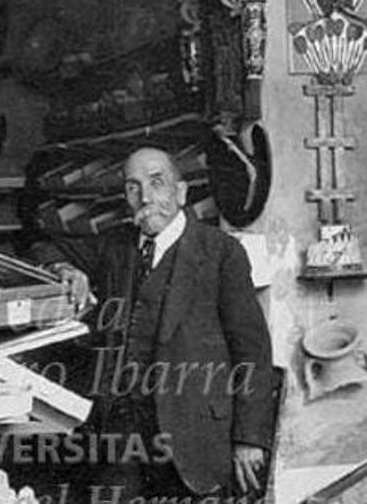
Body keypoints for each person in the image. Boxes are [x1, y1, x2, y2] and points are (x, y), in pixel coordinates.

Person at [33, 147, 274, 502]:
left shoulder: (221, 253)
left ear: (180, 192)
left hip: (195, 432)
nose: (145, 196)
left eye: (156, 183)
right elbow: (41, 247)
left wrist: (249, 438)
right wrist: (66, 270)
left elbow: (252, 350)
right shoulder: (116, 246)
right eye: (133, 187)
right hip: (121, 434)